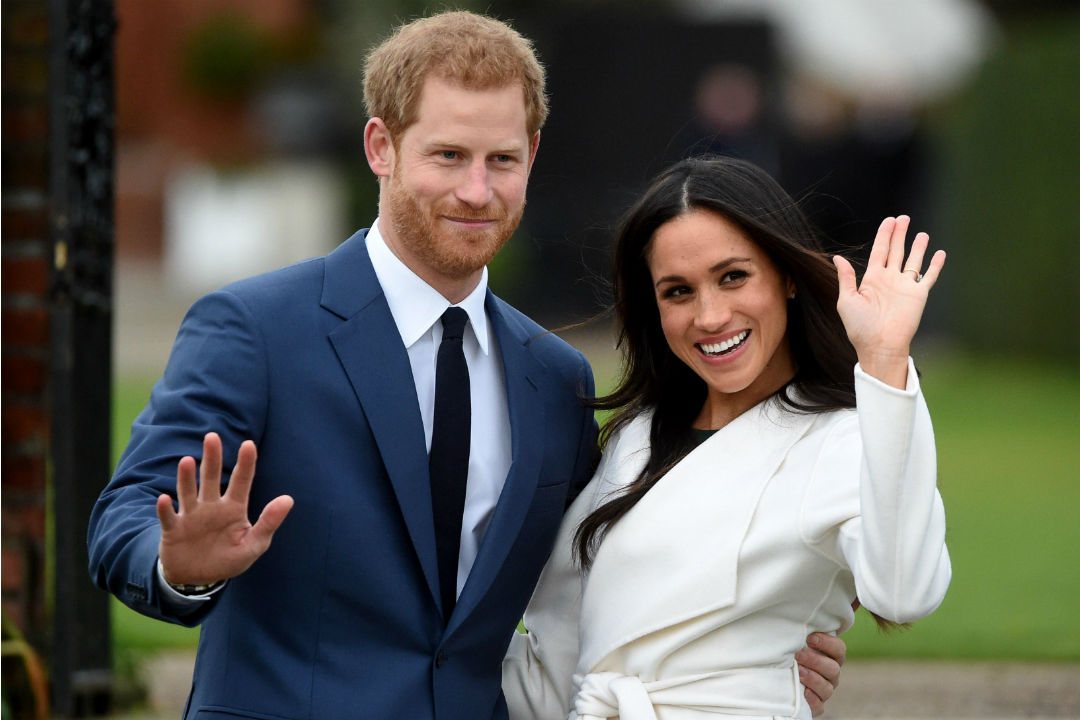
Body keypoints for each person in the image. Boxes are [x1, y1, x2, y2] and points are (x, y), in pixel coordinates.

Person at [88, 13, 845, 720]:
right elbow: (124, 516)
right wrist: (179, 566)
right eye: (448, 155)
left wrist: (753, 645)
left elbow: (609, 569)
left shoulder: (555, 378)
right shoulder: (256, 329)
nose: (476, 191)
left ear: (532, 157)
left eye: (501, 160)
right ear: (381, 146)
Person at [502, 156, 952, 720]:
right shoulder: (636, 437)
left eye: (733, 276)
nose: (710, 315)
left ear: (786, 275)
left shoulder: (844, 439)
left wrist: (885, 362)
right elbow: (562, 664)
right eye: (678, 291)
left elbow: (906, 592)